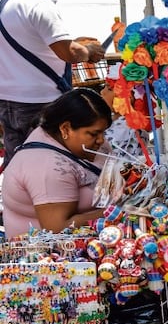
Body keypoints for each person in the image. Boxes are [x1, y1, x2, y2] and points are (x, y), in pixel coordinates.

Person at [0, 0, 106, 163]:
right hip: (39, 102)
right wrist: (89, 51)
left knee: (17, 162)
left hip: (7, 99)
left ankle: (17, 197)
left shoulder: (6, 1)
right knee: (49, 162)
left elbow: (30, 43)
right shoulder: (37, 3)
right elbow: (68, 52)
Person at [2, 88, 110, 236]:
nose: (101, 140)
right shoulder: (48, 168)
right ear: (65, 128)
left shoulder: (63, 139)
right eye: (93, 133)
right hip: (54, 253)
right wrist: (118, 213)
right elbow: (58, 228)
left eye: (103, 132)